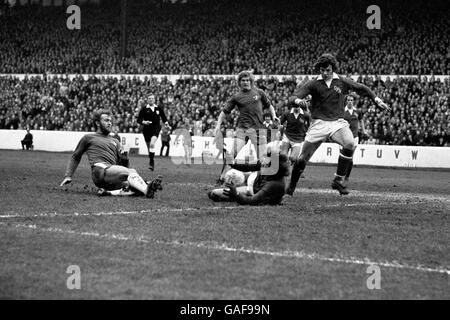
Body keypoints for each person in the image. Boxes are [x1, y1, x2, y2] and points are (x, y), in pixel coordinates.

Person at [286, 53, 390, 196]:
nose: (325, 73)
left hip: (337, 123)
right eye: (322, 70)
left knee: (349, 144)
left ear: (333, 68)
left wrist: (376, 100)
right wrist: (298, 101)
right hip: (319, 123)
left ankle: (338, 180)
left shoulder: (341, 81)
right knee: (302, 158)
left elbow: (361, 88)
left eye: (328, 70)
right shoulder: (313, 83)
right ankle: (291, 187)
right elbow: (293, 97)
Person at [60, 109, 163, 198]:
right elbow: (75, 156)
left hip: (111, 175)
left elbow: (123, 168)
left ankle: (109, 193)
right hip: (99, 170)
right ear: (97, 123)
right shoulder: (88, 138)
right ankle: (147, 189)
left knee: (134, 185)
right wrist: (68, 175)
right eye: (106, 120)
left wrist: (125, 159)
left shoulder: (116, 141)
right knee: (132, 172)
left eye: (110, 121)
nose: (109, 123)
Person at [213, 70, 279, 163]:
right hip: (243, 129)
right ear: (239, 82)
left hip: (259, 130)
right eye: (243, 80)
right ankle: (223, 176)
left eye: (247, 80)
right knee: (231, 154)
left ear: (251, 81)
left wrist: (274, 116)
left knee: (263, 159)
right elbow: (224, 112)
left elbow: (269, 105)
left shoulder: (259, 92)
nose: (245, 82)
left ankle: (260, 177)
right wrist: (218, 125)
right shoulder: (236, 97)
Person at [208, 151, 290, 205]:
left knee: (215, 194)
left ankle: (234, 195)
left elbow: (251, 201)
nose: (263, 163)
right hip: (252, 188)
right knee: (213, 194)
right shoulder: (267, 166)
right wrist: (232, 163)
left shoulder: (274, 184)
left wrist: (236, 194)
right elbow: (248, 166)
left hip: (255, 193)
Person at [137, 94, 169, 171]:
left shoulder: (158, 108)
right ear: (147, 100)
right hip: (146, 130)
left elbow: (164, 117)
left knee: (152, 144)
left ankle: (152, 162)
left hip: (156, 128)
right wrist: (144, 122)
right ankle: (151, 160)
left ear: (154, 100)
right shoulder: (144, 109)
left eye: (152, 98)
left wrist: (167, 124)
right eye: (149, 98)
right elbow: (138, 120)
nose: (151, 99)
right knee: (149, 148)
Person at [343, 93, 366, 182]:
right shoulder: (342, 111)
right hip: (344, 137)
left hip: (354, 137)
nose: (350, 102)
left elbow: (361, 120)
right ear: (346, 101)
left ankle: (347, 176)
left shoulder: (358, 111)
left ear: (354, 102)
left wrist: (364, 130)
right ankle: (341, 173)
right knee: (343, 156)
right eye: (348, 100)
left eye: (351, 100)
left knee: (350, 157)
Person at [279, 99, 311, 164]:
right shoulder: (287, 113)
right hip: (287, 136)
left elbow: (310, 125)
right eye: (295, 107)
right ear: (292, 107)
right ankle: (284, 171)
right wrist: (279, 131)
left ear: (300, 107)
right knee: (283, 156)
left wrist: (306, 132)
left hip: (298, 139)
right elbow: (280, 123)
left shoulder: (305, 115)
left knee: (293, 158)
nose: (296, 109)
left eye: (298, 107)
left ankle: (288, 167)